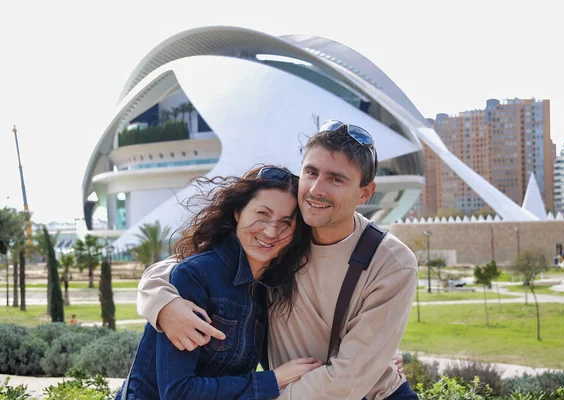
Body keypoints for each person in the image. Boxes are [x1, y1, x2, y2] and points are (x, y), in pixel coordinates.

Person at [138, 120, 419, 399]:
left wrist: (269, 388)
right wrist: (164, 303)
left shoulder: (391, 261)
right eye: (311, 172)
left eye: (336, 178)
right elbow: (188, 266)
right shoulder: (287, 234)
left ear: (365, 192)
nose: (316, 189)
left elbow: (346, 380)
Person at [115, 165, 323, 399]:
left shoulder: (269, 287)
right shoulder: (196, 275)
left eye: (285, 222)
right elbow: (178, 393)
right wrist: (273, 380)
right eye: (262, 214)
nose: (271, 231)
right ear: (238, 213)